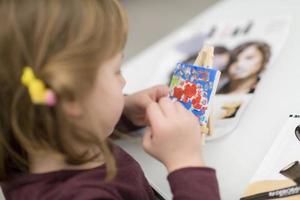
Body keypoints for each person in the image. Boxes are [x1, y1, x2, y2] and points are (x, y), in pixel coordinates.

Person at [0, 0, 220, 200]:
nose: (123, 82)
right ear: (71, 98)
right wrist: (186, 162)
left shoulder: (23, 135)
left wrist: (124, 112)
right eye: (116, 71)